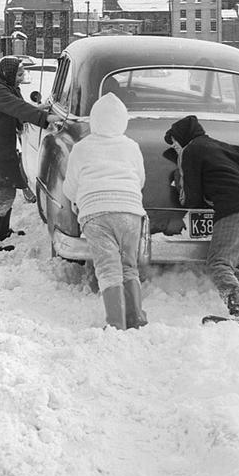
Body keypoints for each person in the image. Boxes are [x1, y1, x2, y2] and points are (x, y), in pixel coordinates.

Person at [163, 115, 239, 323]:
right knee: (227, 264)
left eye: (175, 145)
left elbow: (190, 198)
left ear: (183, 138)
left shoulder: (191, 150)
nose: (176, 149)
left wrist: (178, 179)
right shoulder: (229, 147)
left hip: (235, 209)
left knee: (218, 263)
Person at [62, 92, 147, 330]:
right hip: (130, 211)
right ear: (123, 120)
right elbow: (140, 179)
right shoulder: (131, 146)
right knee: (129, 265)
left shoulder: (81, 147)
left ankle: (115, 323)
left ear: (94, 120)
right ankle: (136, 316)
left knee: (108, 268)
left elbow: (70, 185)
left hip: (96, 213)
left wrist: (77, 198)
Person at [0, 57, 61, 251]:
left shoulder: (7, 88)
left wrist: (37, 110)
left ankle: (1, 232)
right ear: (9, 74)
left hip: (0, 145)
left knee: (6, 188)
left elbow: (17, 109)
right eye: (19, 74)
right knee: (4, 191)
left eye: (22, 74)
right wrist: (45, 118)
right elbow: (16, 107)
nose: (21, 78)